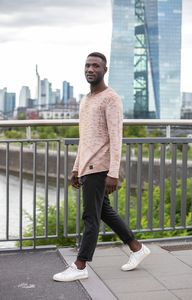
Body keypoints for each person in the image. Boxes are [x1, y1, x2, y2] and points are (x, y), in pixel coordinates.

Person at [53, 52, 150, 282]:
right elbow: (85, 139)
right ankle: (137, 248)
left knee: (90, 217)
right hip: (87, 166)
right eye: (87, 65)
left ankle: (80, 265)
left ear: (105, 70)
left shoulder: (111, 98)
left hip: (101, 167)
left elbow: (116, 138)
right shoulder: (86, 100)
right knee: (104, 212)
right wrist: (76, 168)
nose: (90, 69)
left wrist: (113, 173)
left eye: (95, 66)